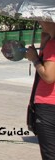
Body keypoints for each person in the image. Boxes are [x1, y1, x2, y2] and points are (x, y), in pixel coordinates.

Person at [26, 20, 55, 159]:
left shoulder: (53, 45)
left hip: (49, 105)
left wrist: (35, 59)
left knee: (50, 154)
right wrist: (43, 47)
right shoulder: (49, 44)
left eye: (45, 20)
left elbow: (49, 76)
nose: (40, 22)